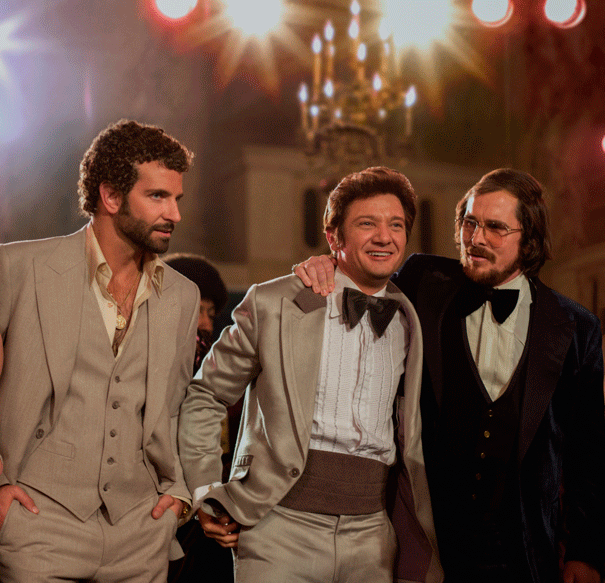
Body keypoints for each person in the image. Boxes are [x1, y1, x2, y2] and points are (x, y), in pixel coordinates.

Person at [295, 168, 605, 583]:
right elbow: (363, 279)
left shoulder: (575, 326)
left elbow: (589, 452)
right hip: (428, 546)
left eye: (495, 228)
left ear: (529, 239)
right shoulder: (424, 281)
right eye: (469, 223)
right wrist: (327, 262)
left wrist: (585, 552)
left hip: (526, 550)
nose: (476, 239)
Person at [178, 166, 443, 583]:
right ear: (334, 237)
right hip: (277, 528)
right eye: (367, 224)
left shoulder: (414, 317)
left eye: (396, 225)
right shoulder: (275, 303)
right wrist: (204, 490)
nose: (384, 237)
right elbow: (206, 395)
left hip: (374, 538)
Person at [0, 119, 200, 582]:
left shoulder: (182, 295)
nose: (174, 213)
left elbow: (176, 405)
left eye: (177, 198)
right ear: (110, 196)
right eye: (157, 196)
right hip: (37, 522)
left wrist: (178, 492)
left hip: (141, 530)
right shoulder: (18, 268)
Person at [163, 253, 233, 583]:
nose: (205, 323)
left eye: (210, 313)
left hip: (202, 523)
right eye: (196, 310)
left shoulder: (215, 374)